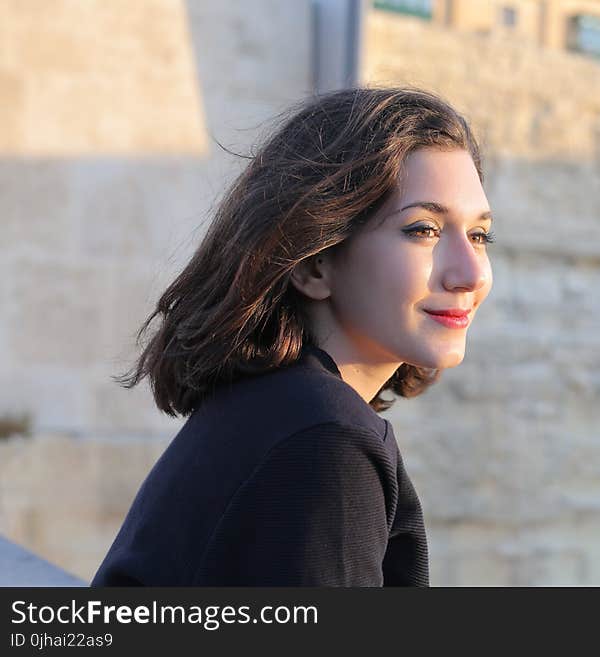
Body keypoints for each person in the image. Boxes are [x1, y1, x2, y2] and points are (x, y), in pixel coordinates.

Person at [90, 86, 495, 586]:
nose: (471, 275)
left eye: (479, 235)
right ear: (314, 264)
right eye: (423, 230)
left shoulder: (273, 407)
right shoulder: (324, 442)